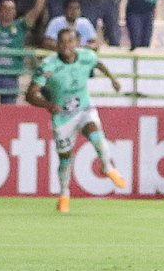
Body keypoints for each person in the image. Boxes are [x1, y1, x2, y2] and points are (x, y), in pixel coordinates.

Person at [26, 28, 128, 213]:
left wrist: (113, 79)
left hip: (84, 109)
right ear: (57, 44)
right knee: (65, 159)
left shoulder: (86, 56)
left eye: (70, 41)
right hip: (63, 118)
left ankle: (107, 167)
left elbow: (98, 63)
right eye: (62, 42)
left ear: (76, 43)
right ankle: (64, 194)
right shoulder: (48, 66)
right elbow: (30, 94)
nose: (66, 46)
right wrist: (48, 105)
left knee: (97, 136)